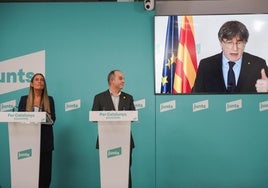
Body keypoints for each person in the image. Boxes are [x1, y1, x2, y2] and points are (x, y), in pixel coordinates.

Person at [192, 20, 268, 93]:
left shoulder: (258, 65)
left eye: (239, 43)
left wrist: (266, 92)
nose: (235, 48)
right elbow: (194, 99)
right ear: (221, 43)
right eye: (229, 43)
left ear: (245, 44)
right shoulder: (206, 65)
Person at [91, 70, 135, 188]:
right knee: (108, 171)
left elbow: (133, 116)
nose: (123, 81)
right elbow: (94, 117)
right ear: (112, 80)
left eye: (123, 78)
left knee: (125, 172)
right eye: (120, 78)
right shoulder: (99, 97)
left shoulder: (129, 98)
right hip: (107, 140)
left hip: (125, 141)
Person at [18, 73, 56, 188]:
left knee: (45, 174)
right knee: (29, 171)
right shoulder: (24, 99)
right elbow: (19, 117)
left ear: (44, 84)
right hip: (28, 140)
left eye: (42, 80)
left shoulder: (49, 99)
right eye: (36, 79)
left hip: (45, 141)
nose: (39, 81)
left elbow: (53, 119)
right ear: (31, 84)